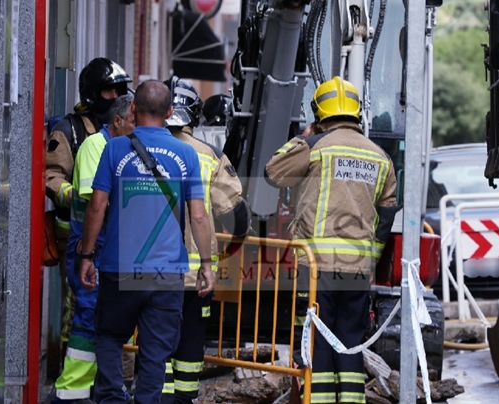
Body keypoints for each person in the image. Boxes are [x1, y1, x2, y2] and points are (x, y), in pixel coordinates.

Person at [78, 80, 216, 404]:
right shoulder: (186, 155)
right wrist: (206, 265)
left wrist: (86, 255)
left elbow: (97, 206)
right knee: (156, 353)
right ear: (169, 113)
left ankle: (112, 397)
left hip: (118, 268)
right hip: (166, 274)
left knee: (110, 336)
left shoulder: (114, 149)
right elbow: (198, 216)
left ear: (133, 110)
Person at [265, 77, 398, 403]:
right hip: (356, 270)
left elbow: (272, 172)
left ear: (319, 112)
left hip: (316, 268)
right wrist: (372, 259)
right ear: (356, 112)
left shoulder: (313, 148)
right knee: (350, 342)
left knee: (318, 343)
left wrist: (303, 137)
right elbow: (387, 216)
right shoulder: (381, 157)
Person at [161, 76, 251, 404]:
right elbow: (236, 212)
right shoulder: (209, 156)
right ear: (194, 115)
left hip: (145, 270)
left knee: (155, 340)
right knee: (189, 342)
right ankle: (183, 399)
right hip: (193, 272)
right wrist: (229, 248)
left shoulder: (133, 147)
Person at [51, 95, 135, 403]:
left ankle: (94, 388)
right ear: (117, 122)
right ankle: (71, 389)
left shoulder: (117, 148)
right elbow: (93, 204)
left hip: (103, 247)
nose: (137, 128)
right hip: (91, 246)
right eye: (133, 122)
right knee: (87, 315)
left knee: (101, 317)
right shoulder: (94, 147)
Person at [46, 58, 132, 355]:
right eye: (110, 91)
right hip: (76, 234)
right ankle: (72, 369)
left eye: (121, 90)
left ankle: (102, 374)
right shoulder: (69, 130)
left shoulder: (123, 129)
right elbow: (51, 175)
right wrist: (74, 196)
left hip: (112, 238)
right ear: (92, 94)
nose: (117, 97)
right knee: (78, 306)